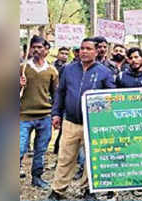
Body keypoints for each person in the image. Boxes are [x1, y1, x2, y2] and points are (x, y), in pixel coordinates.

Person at [48, 37, 116, 200]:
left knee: (91, 159)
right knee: (65, 158)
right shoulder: (68, 69)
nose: (84, 51)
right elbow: (61, 93)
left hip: (92, 124)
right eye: (82, 48)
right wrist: (56, 113)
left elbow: (110, 97)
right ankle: (58, 190)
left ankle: (88, 190)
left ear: (96, 51)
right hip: (70, 121)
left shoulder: (104, 72)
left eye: (88, 49)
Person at [19, 36, 59, 188]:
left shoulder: (52, 71)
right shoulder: (22, 68)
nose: (36, 50)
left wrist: (56, 115)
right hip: (23, 115)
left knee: (40, 150)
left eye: (39, 47)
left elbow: (56, 95)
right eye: (33, 47)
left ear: (46, 50)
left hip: (44, 116)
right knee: (19, 148)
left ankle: (37, 177)